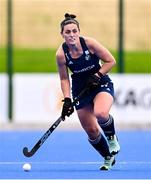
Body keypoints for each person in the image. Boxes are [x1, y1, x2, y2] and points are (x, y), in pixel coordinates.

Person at [56, 13, 120, 170]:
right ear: (62, 34)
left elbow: (111, 61)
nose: (71, 35)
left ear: (79, 31)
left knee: (101, 113)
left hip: (99, 83)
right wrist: (67, 100)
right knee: (91, 130)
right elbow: (64, 79)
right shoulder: (61, 55)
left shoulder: (90, 44)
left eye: (74, 31)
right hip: (80, 89)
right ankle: (107, 157)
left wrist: (98, 75)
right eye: (67, 32)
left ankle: (111, 138)